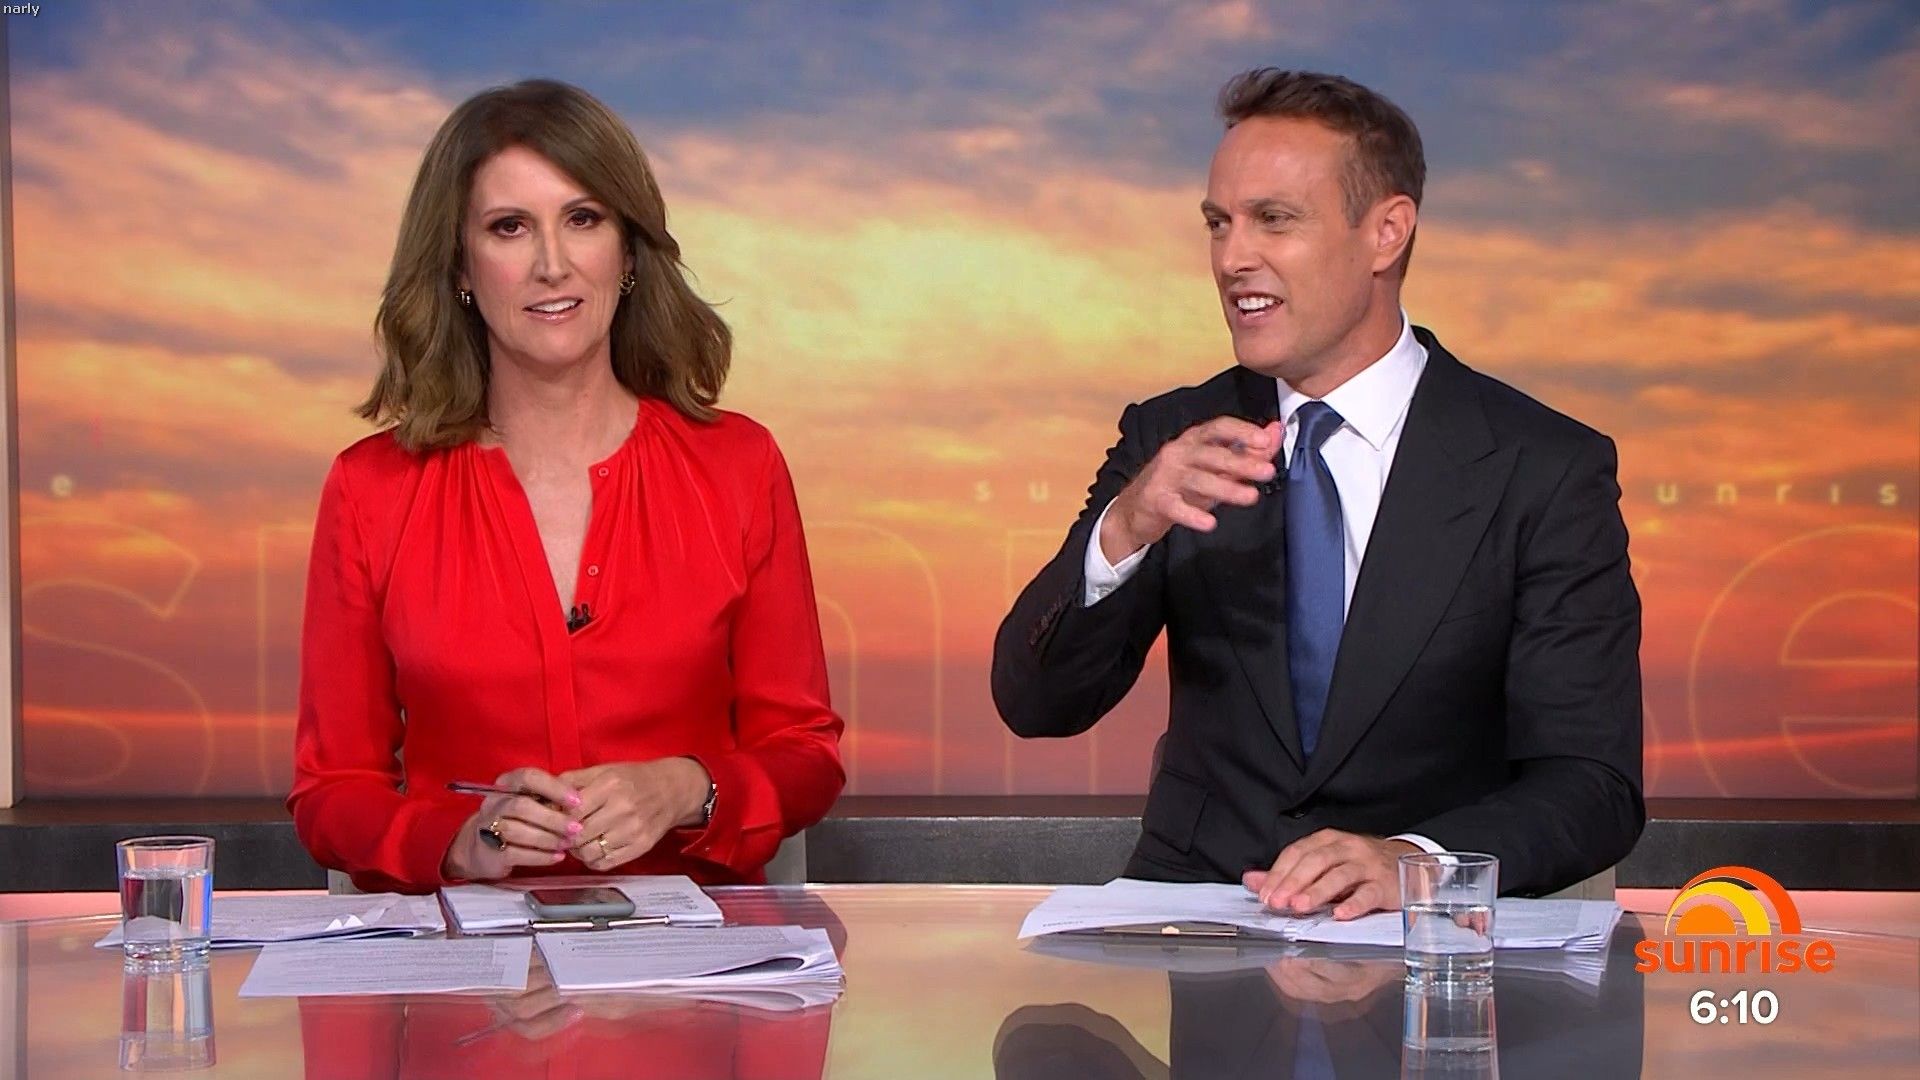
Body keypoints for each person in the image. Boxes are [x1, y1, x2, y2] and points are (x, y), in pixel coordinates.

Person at [992, 69, 1643, 916]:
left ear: (1386, 233)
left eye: (1274, 219)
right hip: (1210, 924)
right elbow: (1037, 704)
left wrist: (1414, 864)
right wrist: (1128, 526)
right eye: (1218, 224)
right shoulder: (1172, 438)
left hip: (1428, 951)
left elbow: (1593, 785)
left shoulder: (1543, 467)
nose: (1233, 259)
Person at [289, 79, 844, 893]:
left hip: (692, 955)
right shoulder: (371, 490)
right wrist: (457, 841)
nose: (552, 265)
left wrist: (686, 787)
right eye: (509, 227)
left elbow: (805, 756)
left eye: (583, 219)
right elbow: (330, 792)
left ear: (628, 253)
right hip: (462, 959)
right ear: (460, 266)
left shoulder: (739, 466)